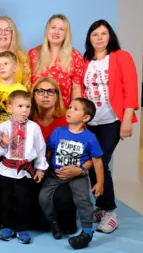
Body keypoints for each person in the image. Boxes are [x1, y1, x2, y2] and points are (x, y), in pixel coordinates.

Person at [82, 19, 139, 233]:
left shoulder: (121, 57)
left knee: (100, 162)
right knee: (91, 163)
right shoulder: (85, 61)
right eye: (94, 34)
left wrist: (127, 118)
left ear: (110, 36)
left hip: (112, 120)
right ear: (90, 38)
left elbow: (130, 87)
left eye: (103, 33)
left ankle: (111, 211)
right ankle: (101, 207)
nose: (99, 38)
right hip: (90, 123)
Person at [31, 77, 95, 234]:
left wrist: (80, 170)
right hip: (36, 170)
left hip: (64, 171)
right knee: (34, 211)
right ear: (33, 95)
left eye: (50, 91)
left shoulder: (69, 121)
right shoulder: (28, 118)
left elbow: (92, 154)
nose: (45, 95)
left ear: (57, 96)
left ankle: (73, 223)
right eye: (40, 91)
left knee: (64, 202)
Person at [40, 98, 104, 250]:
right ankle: (53, 222)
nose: (69, 110)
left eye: (75, 109)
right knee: (43, 197)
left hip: (78, 176)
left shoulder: (90, 138)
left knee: (83, 199)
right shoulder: (58, 132)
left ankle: (87, 232)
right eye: (69, 107)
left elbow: (98, 161)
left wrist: (100, 182)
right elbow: (49, 151)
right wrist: (45, 169)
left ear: (85, 118)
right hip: (56, 174)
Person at [0, 90, 48, 244]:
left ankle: (22, 228)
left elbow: (40, 148)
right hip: (6, 170)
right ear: (10, 108)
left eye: (28, 106)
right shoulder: (2, 127)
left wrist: (41, 169)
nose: (25, 110)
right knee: (6, 200)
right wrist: (3, 143)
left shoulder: (34, 127)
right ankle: (8, 225)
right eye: (20, 106)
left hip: (25, 171)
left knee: (24, 200)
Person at [28, 14, 84, 109]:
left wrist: (75, 112)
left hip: (62, 115)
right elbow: (27, 85)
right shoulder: (33, 54)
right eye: (53, 27)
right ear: (47, 30)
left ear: (66, 33)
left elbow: (76, 88)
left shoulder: (75, 56)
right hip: (35, 114)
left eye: (61, 29)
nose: (56, 32)